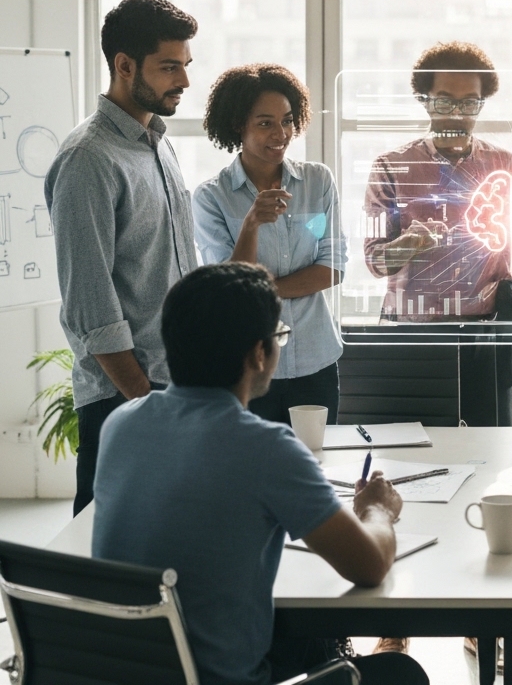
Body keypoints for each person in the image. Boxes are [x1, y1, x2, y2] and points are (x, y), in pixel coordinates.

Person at [92, 262, 428, 685]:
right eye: (279, 336)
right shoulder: (267, 448)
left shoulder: (121, 425)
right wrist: (378, 509)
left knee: (317, 641)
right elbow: (370, 566)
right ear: (257, 353)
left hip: (127, 670)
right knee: (400, 673)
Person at [45, 0, 198, 515]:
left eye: (185, 65)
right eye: (169, 67)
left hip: (170, 385)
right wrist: (145, 402)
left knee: (166, 540)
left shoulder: (158, 143)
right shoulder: (88, 158)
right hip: (123, 398)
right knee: (105, 562)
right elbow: (92, 307)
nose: (183, 80)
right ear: (124, 65)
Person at [363, 41, 512, 426]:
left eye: (469, 103)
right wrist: (409, 244)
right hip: (409, 338)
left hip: (483, 336)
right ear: (424, 99)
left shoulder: (506, 166)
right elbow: (374, 260)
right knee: (408, 452)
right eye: (445, 101)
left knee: (488, 452)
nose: (458, 113)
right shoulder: (390, 167)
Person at [192, 64, 347, 424]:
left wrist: (261, 292)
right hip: (250, 370)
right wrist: (251, 224)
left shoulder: (317, 181)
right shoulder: (211, 198)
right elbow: (229, 289)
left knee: (317, 468)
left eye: (288, 120)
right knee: (252, 472)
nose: (281, 133)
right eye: (265, 123)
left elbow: (334, 267)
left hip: (316, 361)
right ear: (237, 125)